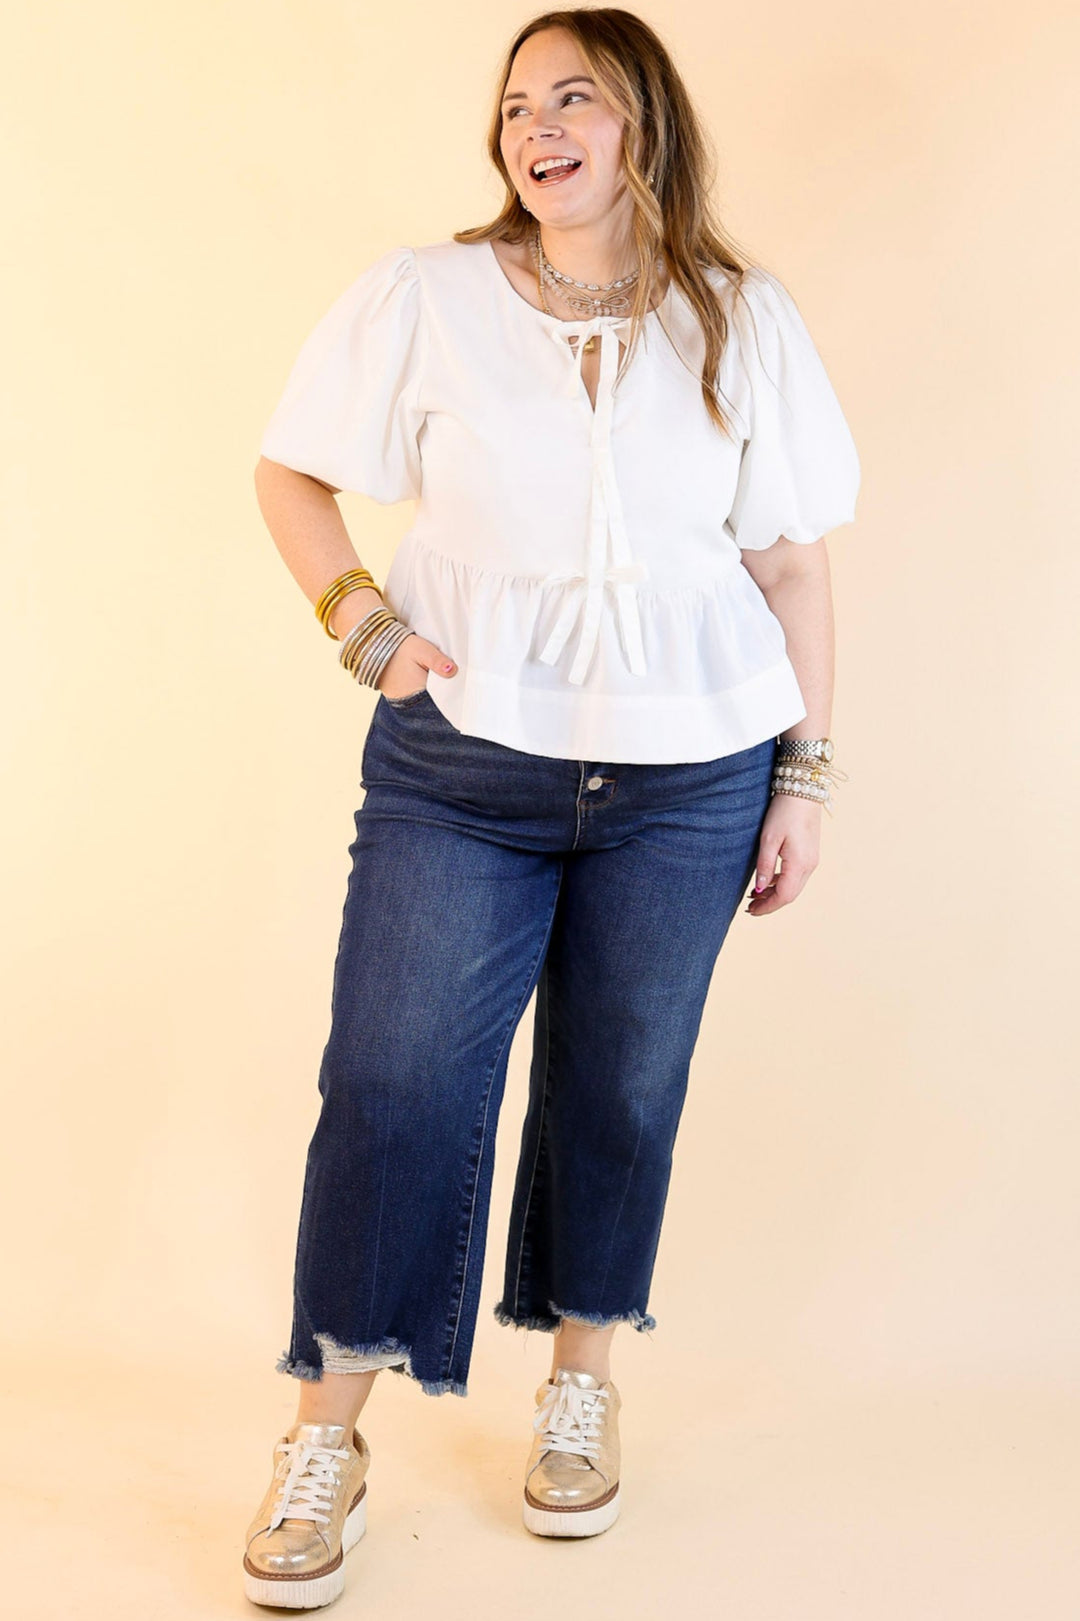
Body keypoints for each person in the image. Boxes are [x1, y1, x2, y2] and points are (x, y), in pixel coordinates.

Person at [243, 6, 860, 1607]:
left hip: (693, 780)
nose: (538, 126)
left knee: (623, 1085)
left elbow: (793, 562)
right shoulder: (427, 298)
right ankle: (328, 1433)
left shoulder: (740, 316)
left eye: (574, 95)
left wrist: (804, 772)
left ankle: (583, 1379)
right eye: (517, 105)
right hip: (465, 761)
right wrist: (364, 629)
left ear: (642, 119)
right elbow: (291, 477)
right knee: (391, 1083)